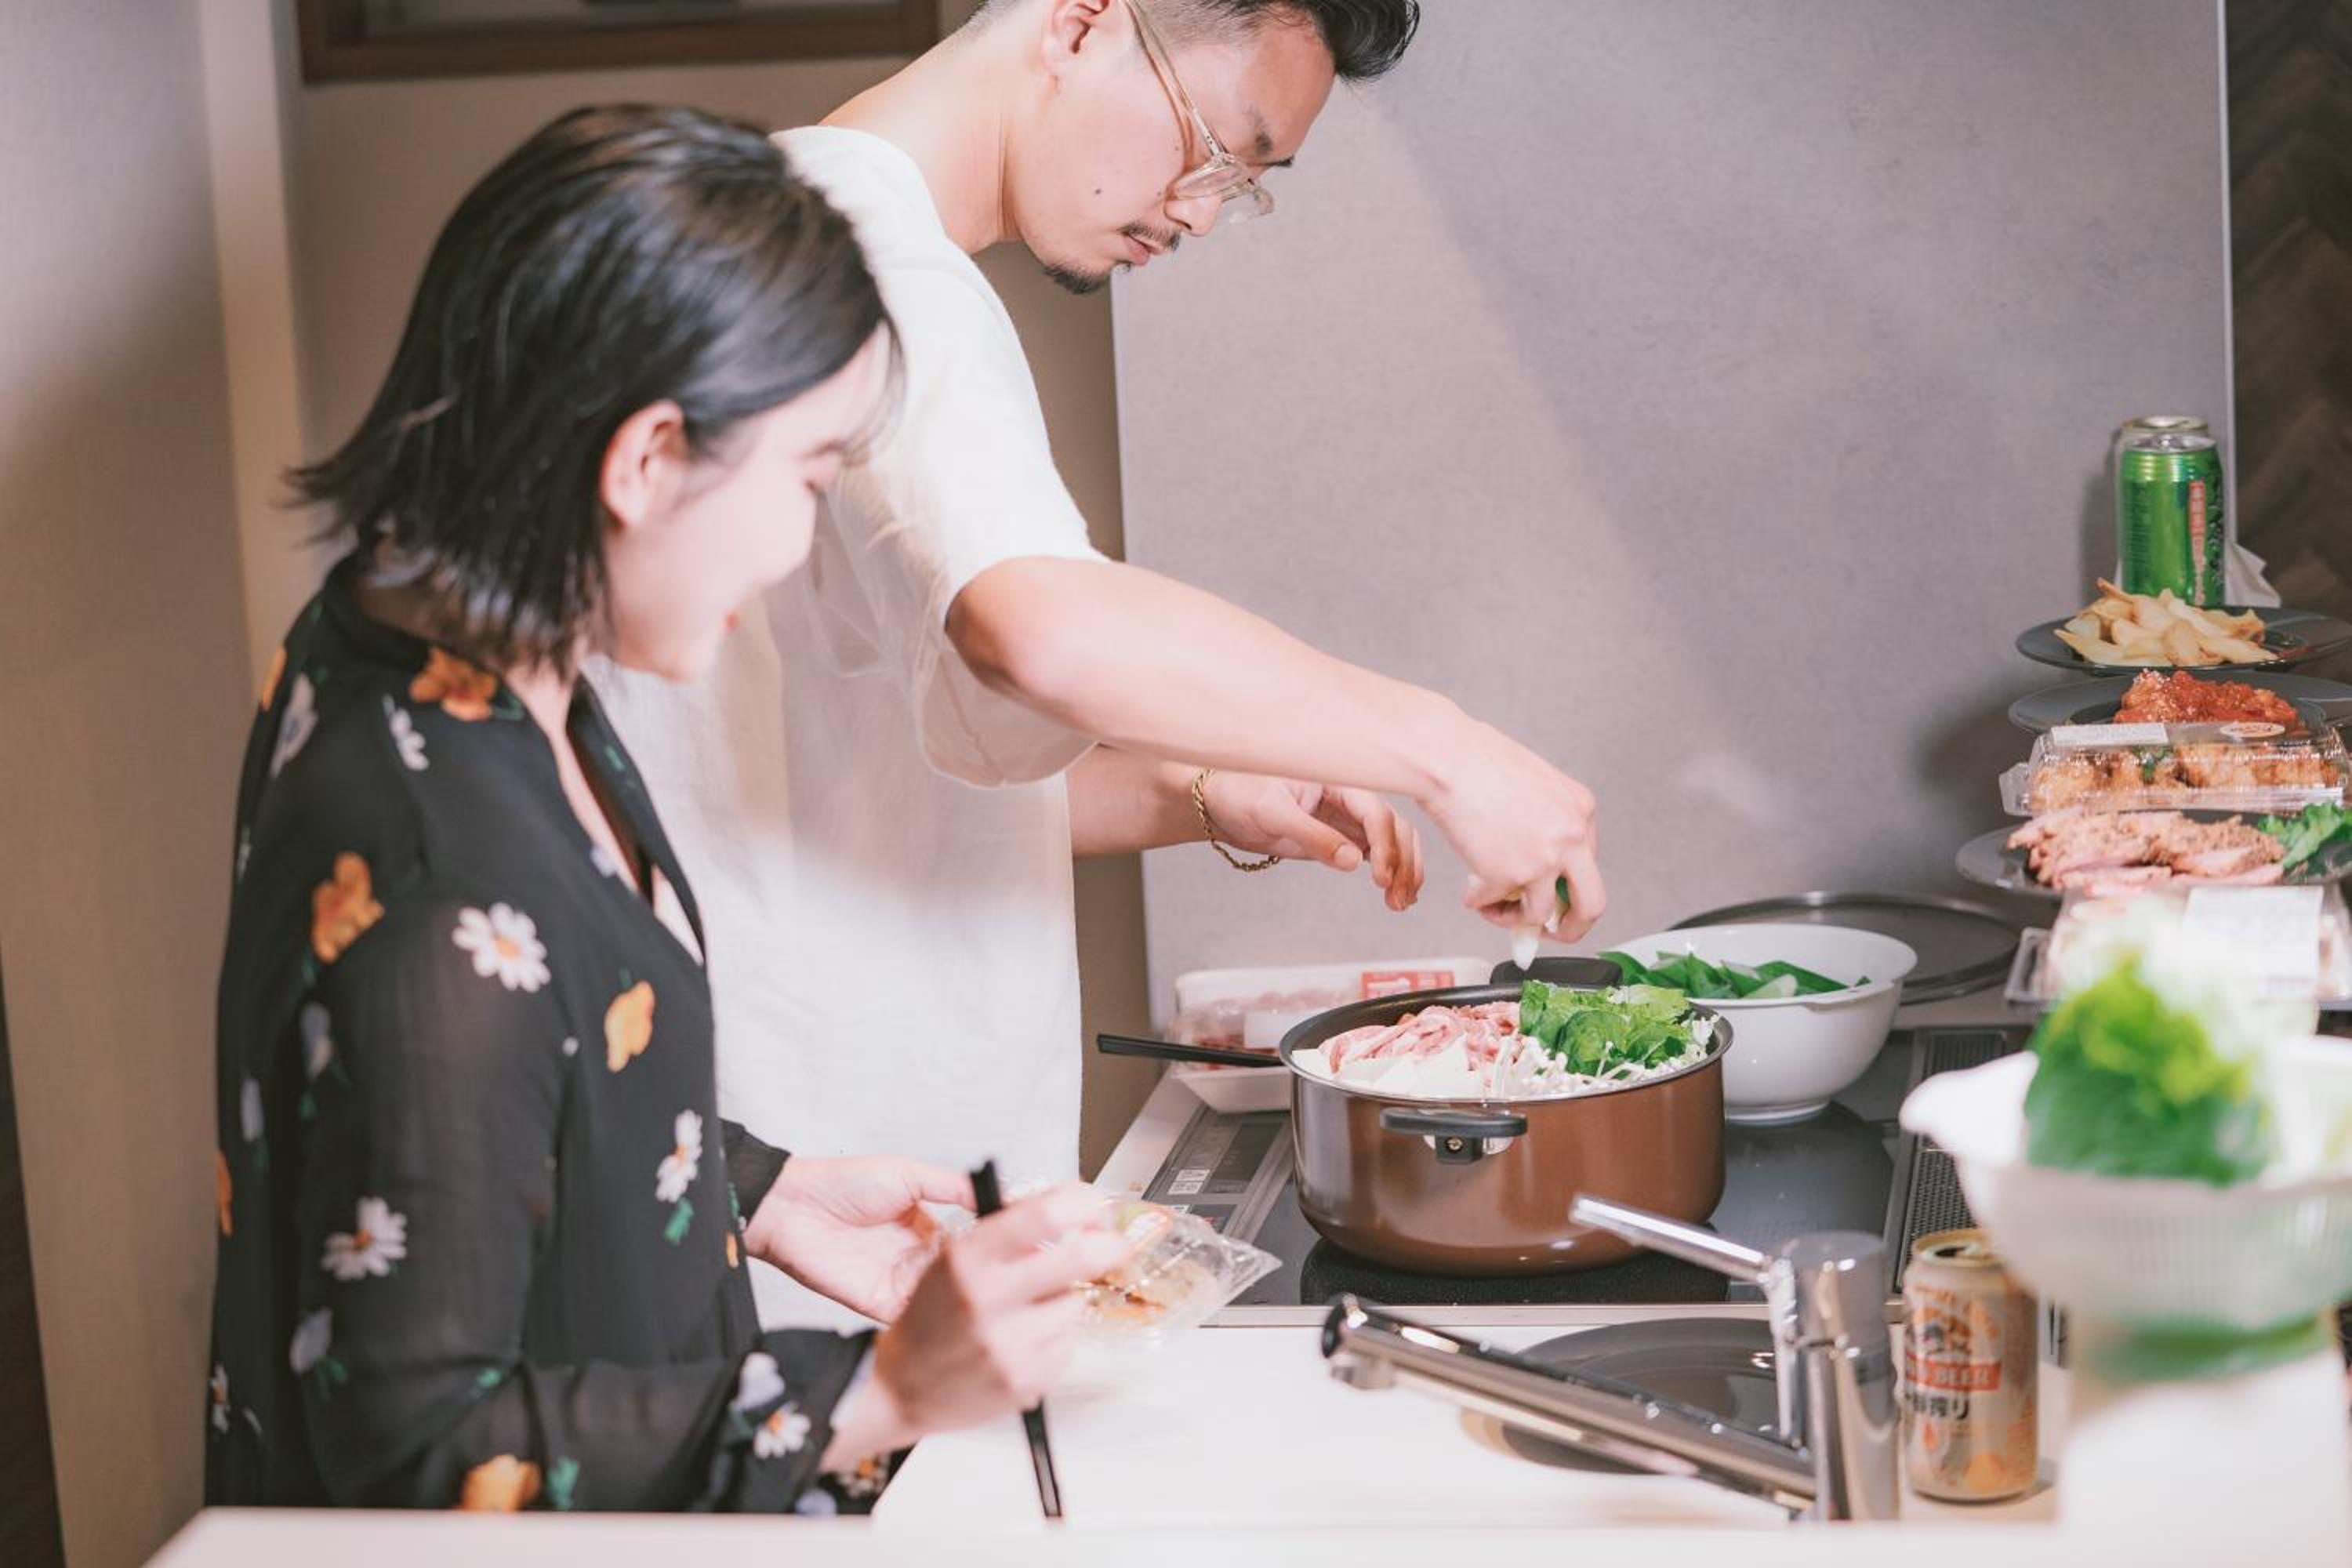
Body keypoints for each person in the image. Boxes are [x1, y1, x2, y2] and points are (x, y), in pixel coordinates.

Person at [593, 0, 1603, 1311]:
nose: (1199, 212)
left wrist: (1199, 791)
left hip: (791, 1182)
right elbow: (1038, 629)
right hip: (827, 1218)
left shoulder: (780, 236)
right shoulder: (870, 270)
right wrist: (1449, 750)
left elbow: (856, 771)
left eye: (1243, 187)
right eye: (1217, 147)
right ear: (1080, 23)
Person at [206, 103, 1130, 1512]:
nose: (800, 541)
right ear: (644, 460)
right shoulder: (440, 870)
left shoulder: (442, 644)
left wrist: (760, 1188)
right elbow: (415, 1446)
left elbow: (519, 1078)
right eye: (808, 479)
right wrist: (881, 1391)